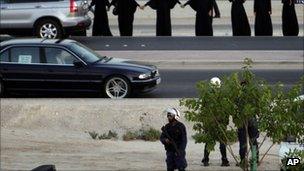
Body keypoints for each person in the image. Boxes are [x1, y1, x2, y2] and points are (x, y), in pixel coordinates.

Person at [201, 77, 230, 167]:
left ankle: (206, 160)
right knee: (222, 143)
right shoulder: (223, 96)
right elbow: (226, 111)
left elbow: (204, 110)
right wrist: (225, 123)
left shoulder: (206, 96)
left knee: (209, 141)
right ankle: (224, 161)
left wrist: (205, 123)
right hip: (221, 123)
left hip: (210, 123)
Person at [237, 80, 260, 167]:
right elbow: (257, 108)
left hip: (242, 121)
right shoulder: (253, 96)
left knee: (243, 143)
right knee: (253, 142)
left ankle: (243, 161)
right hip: (252, 121)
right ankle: (256, 160)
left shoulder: (239, 96)